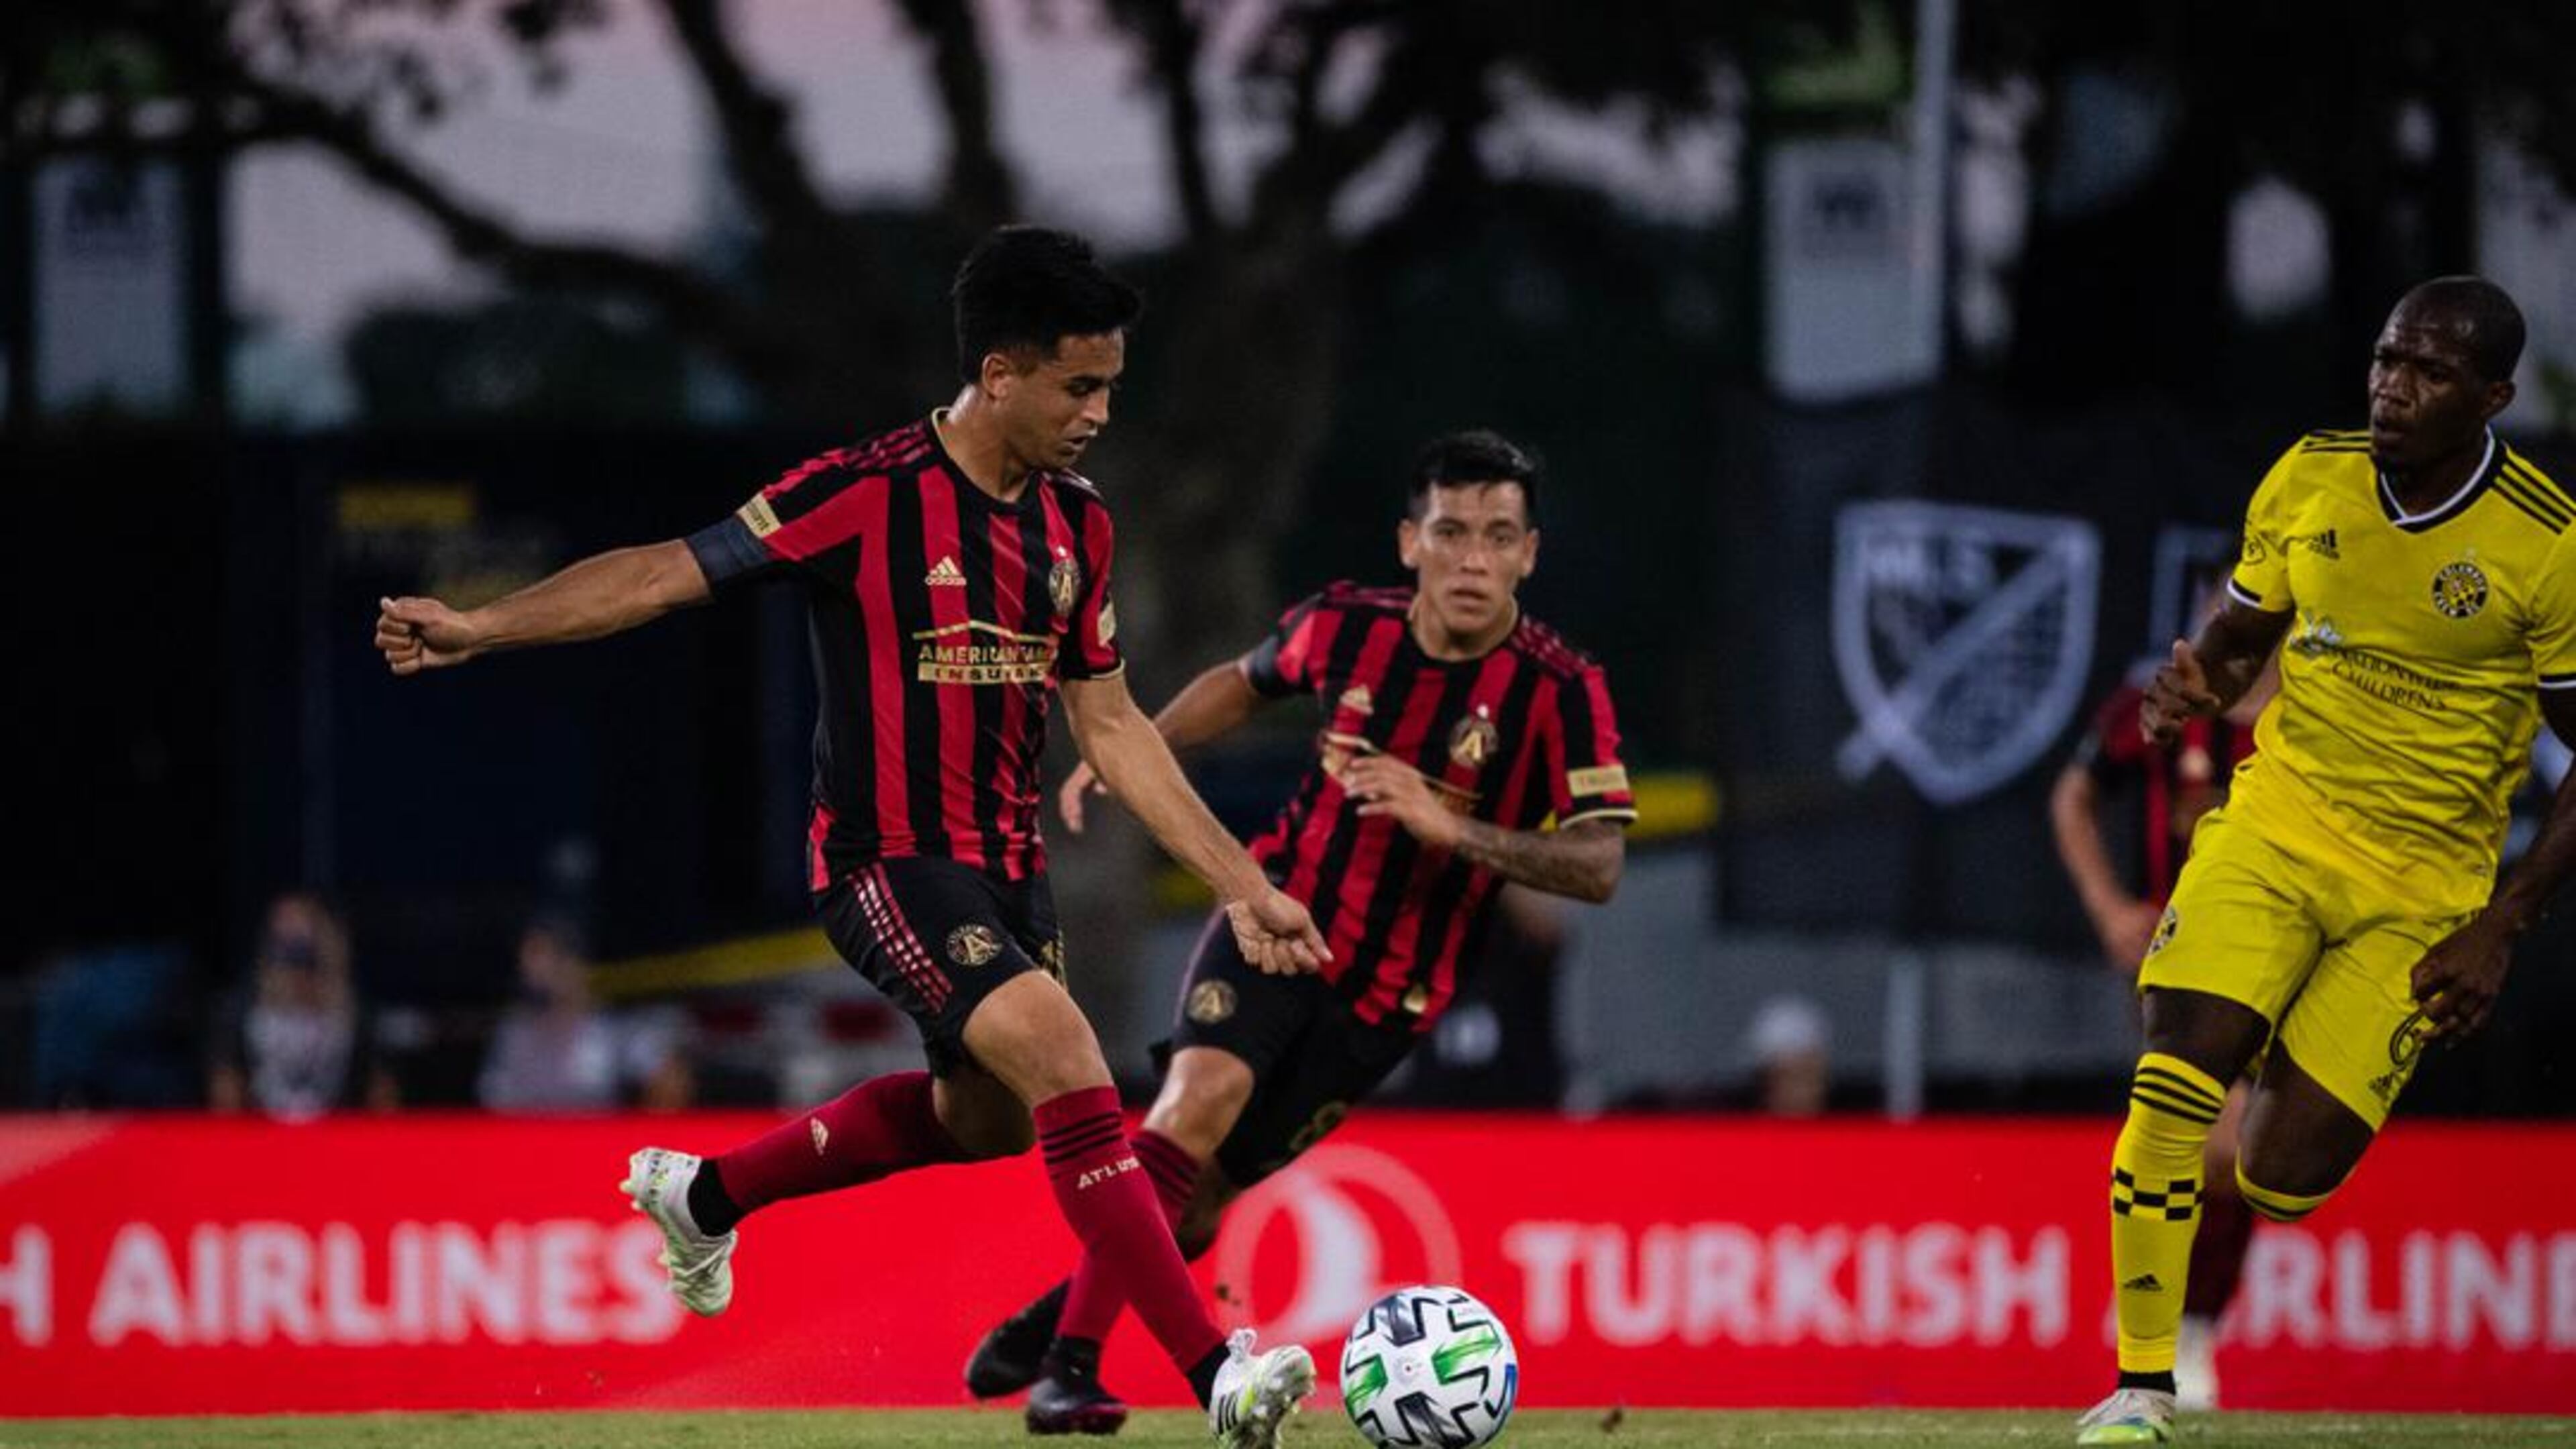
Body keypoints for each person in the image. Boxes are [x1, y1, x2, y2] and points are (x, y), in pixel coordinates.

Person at [375, 225, 1327, 1448]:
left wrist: (1242, 884)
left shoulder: (1078, 527)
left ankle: (705, 1196)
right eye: (1079, 386)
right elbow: (662, 574)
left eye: (1110, 389)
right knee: (1068, 1056)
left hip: (1010, 875)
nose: (1098, 414)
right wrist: (483, 627)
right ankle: (1217, 1379)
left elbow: (1111, 723)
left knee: (987, 1123)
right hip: (885, 863)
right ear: (999, 373)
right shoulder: (865, 494)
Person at [962, 429, 1635, 1434]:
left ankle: (1061, 1314)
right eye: (1451, 533)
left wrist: (1450, 826)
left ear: (1528, 555)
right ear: (1410, 542)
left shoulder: (1559, 691)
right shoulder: (1344, 626)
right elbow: (1245, 680)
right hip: (1277, 920)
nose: (1473, 560)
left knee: (1196, 1206)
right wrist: (1137, 746)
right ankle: (1071, 1370)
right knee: (1194, 1102)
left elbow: (1600, 863)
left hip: (1389, 998)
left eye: (1499, 537)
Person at [2076, 276, 2576, 1446]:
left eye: (2431, 372)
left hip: (2424, 887)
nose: (2394, 388)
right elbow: (2241, 636)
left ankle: (2298, 1028)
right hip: (2275, 824)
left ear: (2493, 399)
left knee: (2280, 1179)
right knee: (2173, 1075)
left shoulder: (2548, 544)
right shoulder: (2311, 475)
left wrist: (2503, 923)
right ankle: (2141, 1389)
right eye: (2388, 360)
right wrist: (2196, 683)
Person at [2049, 608, 2277, 1411]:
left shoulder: (2316, 714)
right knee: (2211, 1135)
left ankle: (2176, 1317)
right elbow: (2074, 795)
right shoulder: (2167, 700)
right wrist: (2109, 907)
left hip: (2284, 956)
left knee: (2246, 1156)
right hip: (2177, 956)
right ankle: (2181, 1329)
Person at [209, 891, 397, 1118]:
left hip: (337, 1130)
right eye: (286, 937)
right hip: (263, 1129)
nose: (295, 941)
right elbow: (227, 1084)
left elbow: (380, 1089)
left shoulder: (353, 1010)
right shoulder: (243, 1008)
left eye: (304, 931)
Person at [477, 916, 693, 1112]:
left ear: (572, 965)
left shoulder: (608, 1030)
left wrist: (638, 1134)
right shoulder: (515, 1033)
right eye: (526, 965)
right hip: (530, 1137)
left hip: (595, 1137)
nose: (532, 977)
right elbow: (495, 1101)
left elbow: (670, 1082)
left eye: (542, 962)